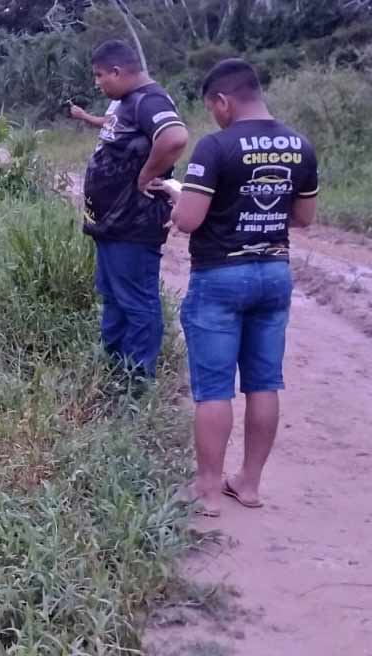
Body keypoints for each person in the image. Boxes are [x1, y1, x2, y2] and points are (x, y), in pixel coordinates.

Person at [149, 59, 318, 517]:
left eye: (213, 108)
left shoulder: (217, 147)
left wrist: (178, 192)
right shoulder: (300, 146)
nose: (215, 117)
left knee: (214, 388)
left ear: (223, 101)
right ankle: (249, 484)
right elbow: (303, 219)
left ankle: (206, 488)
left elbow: (188, 220)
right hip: (274, 273)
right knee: (265, 382)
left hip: (221, 275)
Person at [81, 40, 189, 385]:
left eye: (100, 75)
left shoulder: (149, 100)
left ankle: (137, 384)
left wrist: (146, 175)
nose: (98, 82)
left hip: (134, 222)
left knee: (137, 301)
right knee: (113, 296)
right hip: (112, 222)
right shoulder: (124, 102)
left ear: (117, 71)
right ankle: (113, 371)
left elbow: (173, 138)